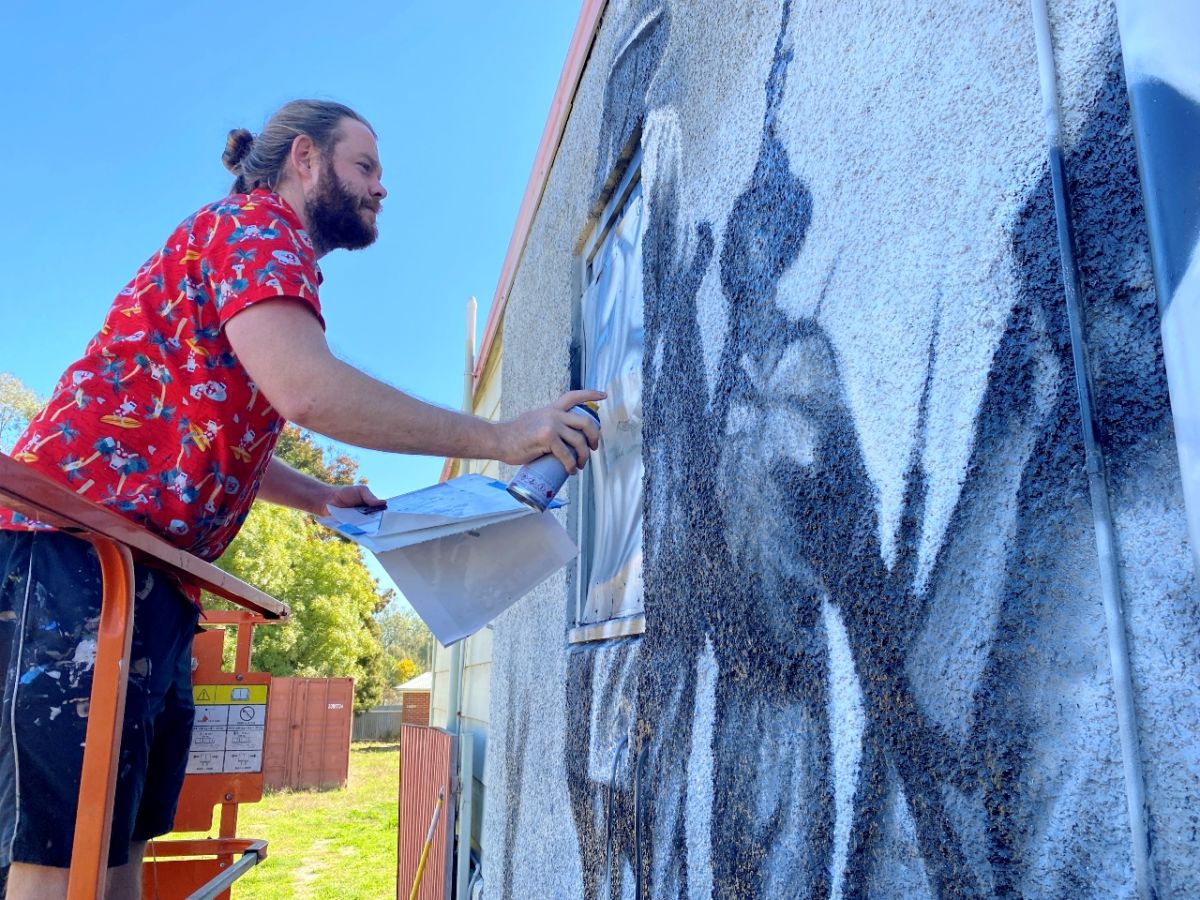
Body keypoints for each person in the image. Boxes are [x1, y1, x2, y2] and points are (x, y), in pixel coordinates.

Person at [0, 99, 602, 899]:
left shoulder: (256, 250)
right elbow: (307, 392)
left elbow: (214, 424)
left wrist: (319, 496)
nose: (382, 187)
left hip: (146, 572)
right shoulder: (254, 229)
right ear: (306, 159)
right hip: (70, 550)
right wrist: (502, 439)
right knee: (63, 855)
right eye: (367, 167)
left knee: (117, 850)